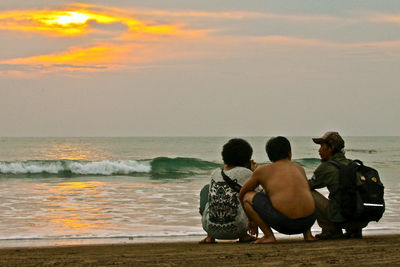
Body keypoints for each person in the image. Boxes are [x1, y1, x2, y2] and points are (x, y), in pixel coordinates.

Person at [239, 136, 316, 243]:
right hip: (309, 221)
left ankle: (269, 236)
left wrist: (251, 220)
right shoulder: (299, 168)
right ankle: (308, 235)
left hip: (285, 224)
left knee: (248, 197)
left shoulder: (262, 170)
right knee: (301, 192)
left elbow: (242, 194)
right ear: (289, 153)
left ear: (269, 156)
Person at [309, 131, 368, 239]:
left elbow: (308, 186)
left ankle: (330, 230)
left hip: (343, 219)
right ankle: (354, 231)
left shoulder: (326, 167)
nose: (319, 150)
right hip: (361, 220)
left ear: (331, 148)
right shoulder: (352, 164)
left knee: (308, 193)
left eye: (322, 146)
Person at [199, 138, 258, 243]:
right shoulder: (246, 173)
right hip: (239, 229)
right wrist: (255, 173)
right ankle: (244, 236)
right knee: (249, 194)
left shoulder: (215, 173)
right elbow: (260, 194)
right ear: (247, 158)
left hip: (212, 229)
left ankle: (209, 237)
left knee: (206, 190)